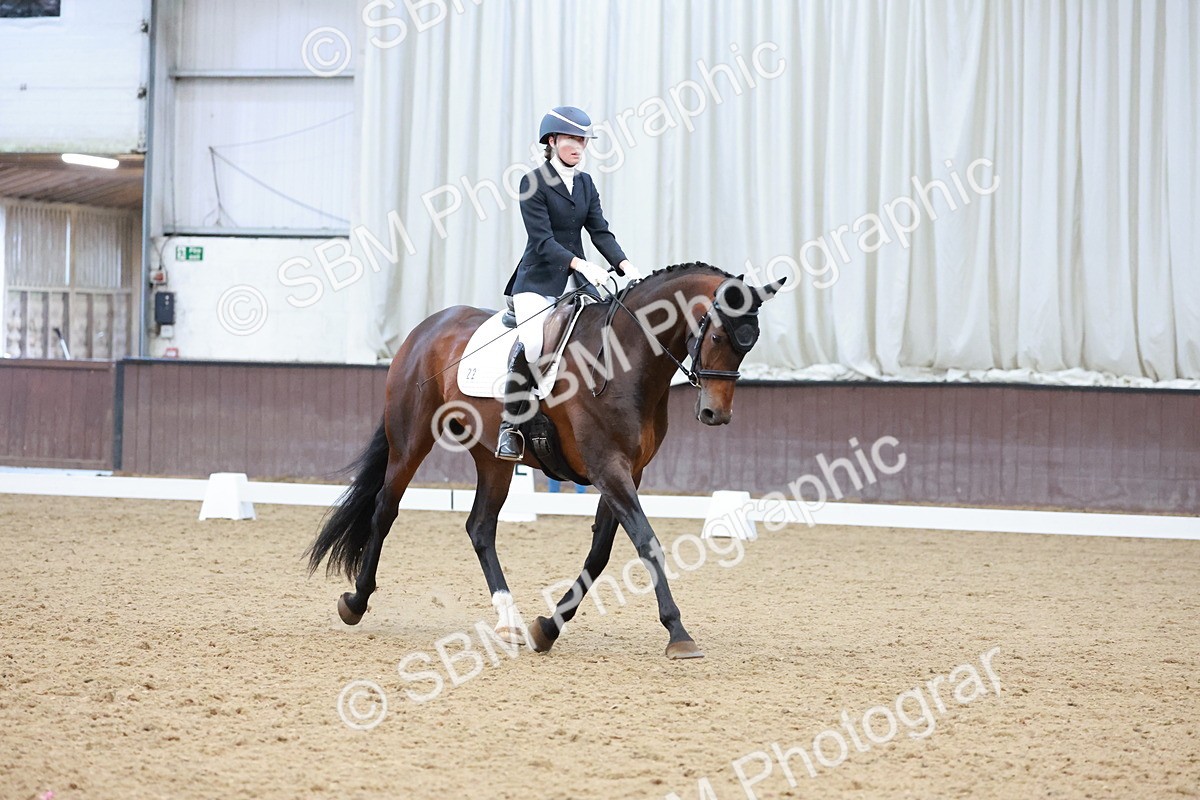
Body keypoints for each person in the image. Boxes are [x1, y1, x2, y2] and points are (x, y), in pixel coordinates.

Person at [495, 106, 641, 461]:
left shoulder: (586, 184)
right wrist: (581, 264)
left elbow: (599, 232)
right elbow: (542, 241)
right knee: (532, 343)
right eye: (573, 139)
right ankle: (511, 426)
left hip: (579, 282)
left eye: (583, 141)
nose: (579, 146)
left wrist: (625, 266)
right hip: (539, 280)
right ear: (553, 140)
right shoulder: (533, 182)